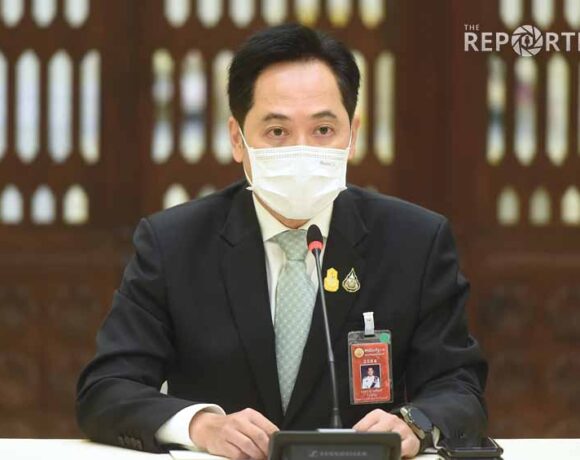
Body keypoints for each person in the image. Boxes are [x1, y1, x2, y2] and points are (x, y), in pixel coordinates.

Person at [76, 23, 488, 459]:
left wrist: (414, 424)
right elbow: (106, 389)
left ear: (352, 136)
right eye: (277, 132)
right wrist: (201, 425)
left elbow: (459, 387)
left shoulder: (414, 242)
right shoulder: (173, 245)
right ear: (238, 139)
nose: (301, 150)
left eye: (323, 130)